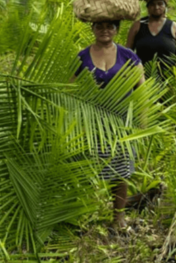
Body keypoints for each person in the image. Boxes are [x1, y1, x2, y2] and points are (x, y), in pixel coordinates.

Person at [73, 20, 145, 230]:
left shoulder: (128, 56)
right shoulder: (82, 56)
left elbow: (141, 89)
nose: (105, 30)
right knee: (87, 167)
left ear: (117, 30)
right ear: (92, 29)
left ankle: (118, 217)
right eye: (99, 26)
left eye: (110, 26)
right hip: (91, 121)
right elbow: (68, 88)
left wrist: (142, 120)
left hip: (121, 121)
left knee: (120, 169)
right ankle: (83, 216)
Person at [125, 0, 176, 76]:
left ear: (165, 6)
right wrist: (127, 71)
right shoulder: (138, 25)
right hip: (143, 79)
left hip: (169, 79)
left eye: (160, 4)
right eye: (152, 4)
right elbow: (128, 51)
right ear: (148, 7)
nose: (156, 7)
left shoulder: (173, 26)